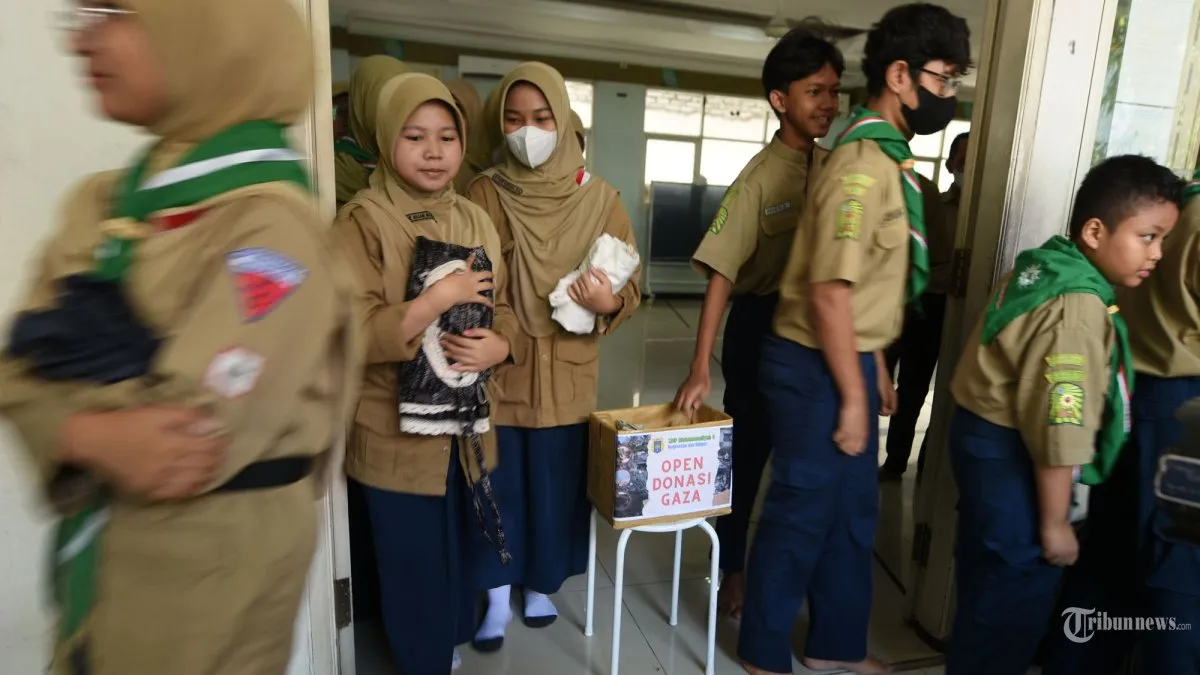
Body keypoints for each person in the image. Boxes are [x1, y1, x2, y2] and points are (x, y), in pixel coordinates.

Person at [0, 2, 362, 673]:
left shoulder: (274, 231)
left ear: (211, 31)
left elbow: (185, 439)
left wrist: (63, 392)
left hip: (209, 586)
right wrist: (95, 432)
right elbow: (14, 374)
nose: (82, 41)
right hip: (103, 571)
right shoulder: (103, 204)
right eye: (79, 16)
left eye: (113, 11)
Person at [737, 5, 971, 675]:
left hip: (846, 359)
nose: (949, 94)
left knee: (851, 513)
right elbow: (829, 291)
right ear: (900, 76)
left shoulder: (890, 161)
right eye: (944, 78)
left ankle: (833, 646)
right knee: (802, 509)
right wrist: (850, 396)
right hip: (812, 365)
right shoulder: (861, 168)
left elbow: (864, 284)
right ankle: (761, 650)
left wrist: (874, 368)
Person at [946, 154, 1182, 675]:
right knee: (1015, 600)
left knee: (987, 589)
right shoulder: (1077, 310)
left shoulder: (1046, 264)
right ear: (1095, 231)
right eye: (1148, 237)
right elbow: (1059, 430)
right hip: (1013, 453)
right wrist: (1055, 524)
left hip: (981, 438)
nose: (1158, 253)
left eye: (1163, 239)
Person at [333, 72, 516, 675]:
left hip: (465, 428)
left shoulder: (475, 217)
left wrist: (500, 345)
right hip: (394, 433)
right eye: (415, 137)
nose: (434, 152)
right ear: (388, 140)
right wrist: (436, 300)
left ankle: (445, 645)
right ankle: (424, 659)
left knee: (456, 551)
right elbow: (351, 330)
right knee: (410, 561)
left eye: (446, 137)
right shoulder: (364, 220)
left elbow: (502, 308)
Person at [465, 62, 642, 651]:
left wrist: (608, 301)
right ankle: (496, 595)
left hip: (568, 372)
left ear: (563, 121)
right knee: (496, 485)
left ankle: (541, 585)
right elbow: (471, 278)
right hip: (501, 370)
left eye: (542, 118)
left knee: (556, 486)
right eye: (514, 119)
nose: (527, 132)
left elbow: (631, 284)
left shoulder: (600, 197)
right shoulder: (485, 191)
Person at [672, 27, 844, 620]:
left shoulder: (837, 169)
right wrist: (700, 367)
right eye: (814, 91)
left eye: (834, 91)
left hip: (819, 330)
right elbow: (721, 275)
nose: (828, 103)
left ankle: (798, 573)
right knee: (747, 458)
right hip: (761, 325)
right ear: (780, 99)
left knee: (808, 460)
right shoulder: (758, 179)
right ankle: (734, 570)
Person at [1042, 165, 1199, 675]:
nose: (1155, 250)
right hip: (1182, 408)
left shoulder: (1176, 203)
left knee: (1110, 554)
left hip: (1140, 392)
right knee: (1178, 569)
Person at [879, 132, 968, 481]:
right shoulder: (934, 205)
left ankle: (929, 466)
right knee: (907, 386)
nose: (967, 168)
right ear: (950, 165)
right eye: (962, 160)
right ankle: (895, 461)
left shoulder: (988, 216)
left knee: (946, 391)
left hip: (960, 310)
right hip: (919, 304)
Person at [335, 55, 409, 208]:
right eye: (383, 97)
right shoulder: (328, 171)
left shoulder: (425, 163)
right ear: (361, 102)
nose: (397, 110)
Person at [444, 77, 488, 194]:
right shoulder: (432, 165)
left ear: (471, 113)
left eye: (458, 108)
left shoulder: (487, 175)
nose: (452, 116)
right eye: (445, 108)